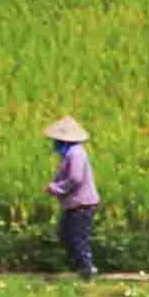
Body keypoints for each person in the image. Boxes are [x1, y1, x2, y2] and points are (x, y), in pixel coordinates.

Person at [43, 114, 100, 277]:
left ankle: (86, 271)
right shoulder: (71, 153)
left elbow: (75, 178)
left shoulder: (76, 153)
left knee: (76, 238)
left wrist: (57, 188)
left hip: (82, 203)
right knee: (65, 235)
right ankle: (80, 269)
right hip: (74, 203)